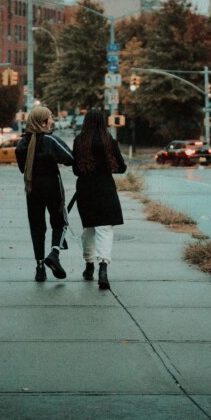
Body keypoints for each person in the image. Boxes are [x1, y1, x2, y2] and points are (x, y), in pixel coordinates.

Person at [15, 105, 74, 281]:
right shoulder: (50, 141)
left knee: (37, 226)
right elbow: (70, 158)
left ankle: (40, 267)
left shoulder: (21, 144)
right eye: (50, 118)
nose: (52, 121)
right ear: (43, 121)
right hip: (52, 187)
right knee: (60, 221)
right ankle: (54, 254)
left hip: (32, 188)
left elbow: (22, 169)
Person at [70, 109, 127, 291]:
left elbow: (76, 170)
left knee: (89, 228)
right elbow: (122, 167)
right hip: (105, 189)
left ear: (85, 123)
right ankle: (103, 268)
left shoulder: (79, 141)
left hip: (86, 189)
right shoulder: (109, 141)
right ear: (103, 123)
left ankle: (89, 265)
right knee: (105, 229)